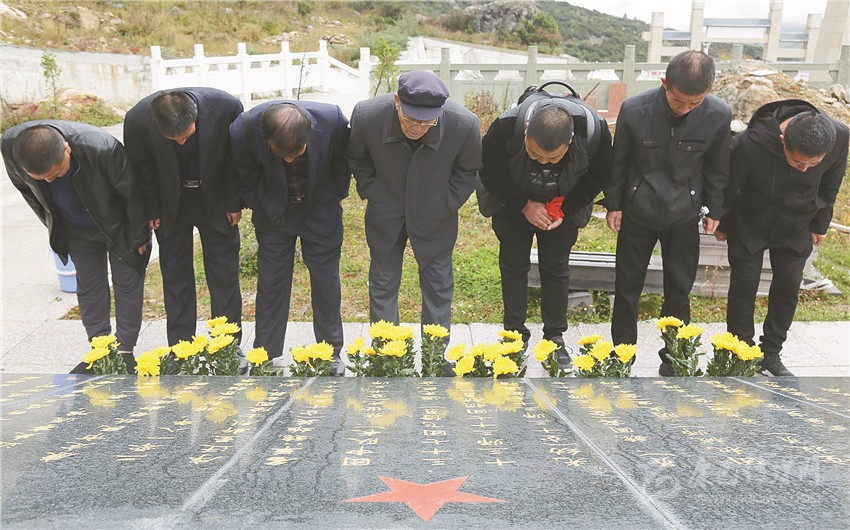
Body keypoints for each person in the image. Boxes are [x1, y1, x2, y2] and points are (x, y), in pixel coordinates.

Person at [601, 50, 731, 376]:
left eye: (694, 103)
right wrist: (614, 204)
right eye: (677, 101)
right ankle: (623, 356)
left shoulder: (717, 115)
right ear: (664, 83)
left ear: (708, 93)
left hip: (683, 214)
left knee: (679, 290)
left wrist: (715, 209)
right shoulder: (635, 109)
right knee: (627, 288)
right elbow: (619, 162)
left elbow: (717, 168)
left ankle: (674, 358)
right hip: (637, 211)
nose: (684, 109)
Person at [479, 88, 613, 369]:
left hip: (563, 204)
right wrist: (524, 205)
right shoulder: (505, 127)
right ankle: (514, 337)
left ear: (570, 141)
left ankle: (554, 337)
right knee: (513, 266)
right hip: (513, 202)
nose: (542, 161)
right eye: (534, 154)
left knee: (556, 268)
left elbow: (600, 175)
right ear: (526, 130)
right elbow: (489, 172)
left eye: (552, 159)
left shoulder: (593, 131)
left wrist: (563, 208)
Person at [2, 121, 150, 373]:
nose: (50, 181)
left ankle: (125, 350)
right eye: (42, 179)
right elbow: (25, 188)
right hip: (75, 229)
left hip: (118, 226)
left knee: (127, 282)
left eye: (57, 174)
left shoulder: (102, 148)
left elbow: (132, 193)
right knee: (89, 285)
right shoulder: (10, 146)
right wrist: (53, 224)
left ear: (67, 149)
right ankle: (100, 349)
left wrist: (139, 236)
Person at [716, 100, 848, 376]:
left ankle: (771, 353)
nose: (804, 169)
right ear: (782, 141)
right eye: (798, 161)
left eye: (813, 164)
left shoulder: (839, 136)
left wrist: (820, 223)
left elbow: (831, 183)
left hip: (797, 222)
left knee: (788, 286)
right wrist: (723, 223)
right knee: (744, 286)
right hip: (751, 220)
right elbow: (730, 185)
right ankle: (742, 352)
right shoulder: (748, 144)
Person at [347, 70, 482, 333]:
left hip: (436, 217)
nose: (416, 128)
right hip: (385, 212)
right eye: (409, 119)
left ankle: (435, 352)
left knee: (438, 287)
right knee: (383, 283)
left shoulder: (463, 124)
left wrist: (446, 204)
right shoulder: (367, 116)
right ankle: (386, 350)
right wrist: (373, 191)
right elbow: (356, 158)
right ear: (397, 101)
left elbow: (469, 171)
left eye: (427, 122)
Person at [230, 101, 349, 376]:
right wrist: (260, 204)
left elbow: (342, 162)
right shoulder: (244, 128)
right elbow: (244, 172)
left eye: (296, 153)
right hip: (274, 214)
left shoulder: (332, 120)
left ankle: (330, 352)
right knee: (271, 282)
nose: (288, 160)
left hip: (320, 210)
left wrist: (336, 196)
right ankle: (265, 353)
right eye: (281, 154)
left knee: (326, 282)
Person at [123, 88, 244, 354]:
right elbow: (141, 168)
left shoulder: (226, 108)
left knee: (223, 274)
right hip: (168, 204)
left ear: (196, 117)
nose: (180, 143)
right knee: (175, 274)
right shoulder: (137, 120)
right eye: (172, 139)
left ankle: (227, 345)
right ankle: (181, 347)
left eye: (186, 136)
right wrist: (151, 210)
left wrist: (233, 202)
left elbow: (234, 160)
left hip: (215, 200)